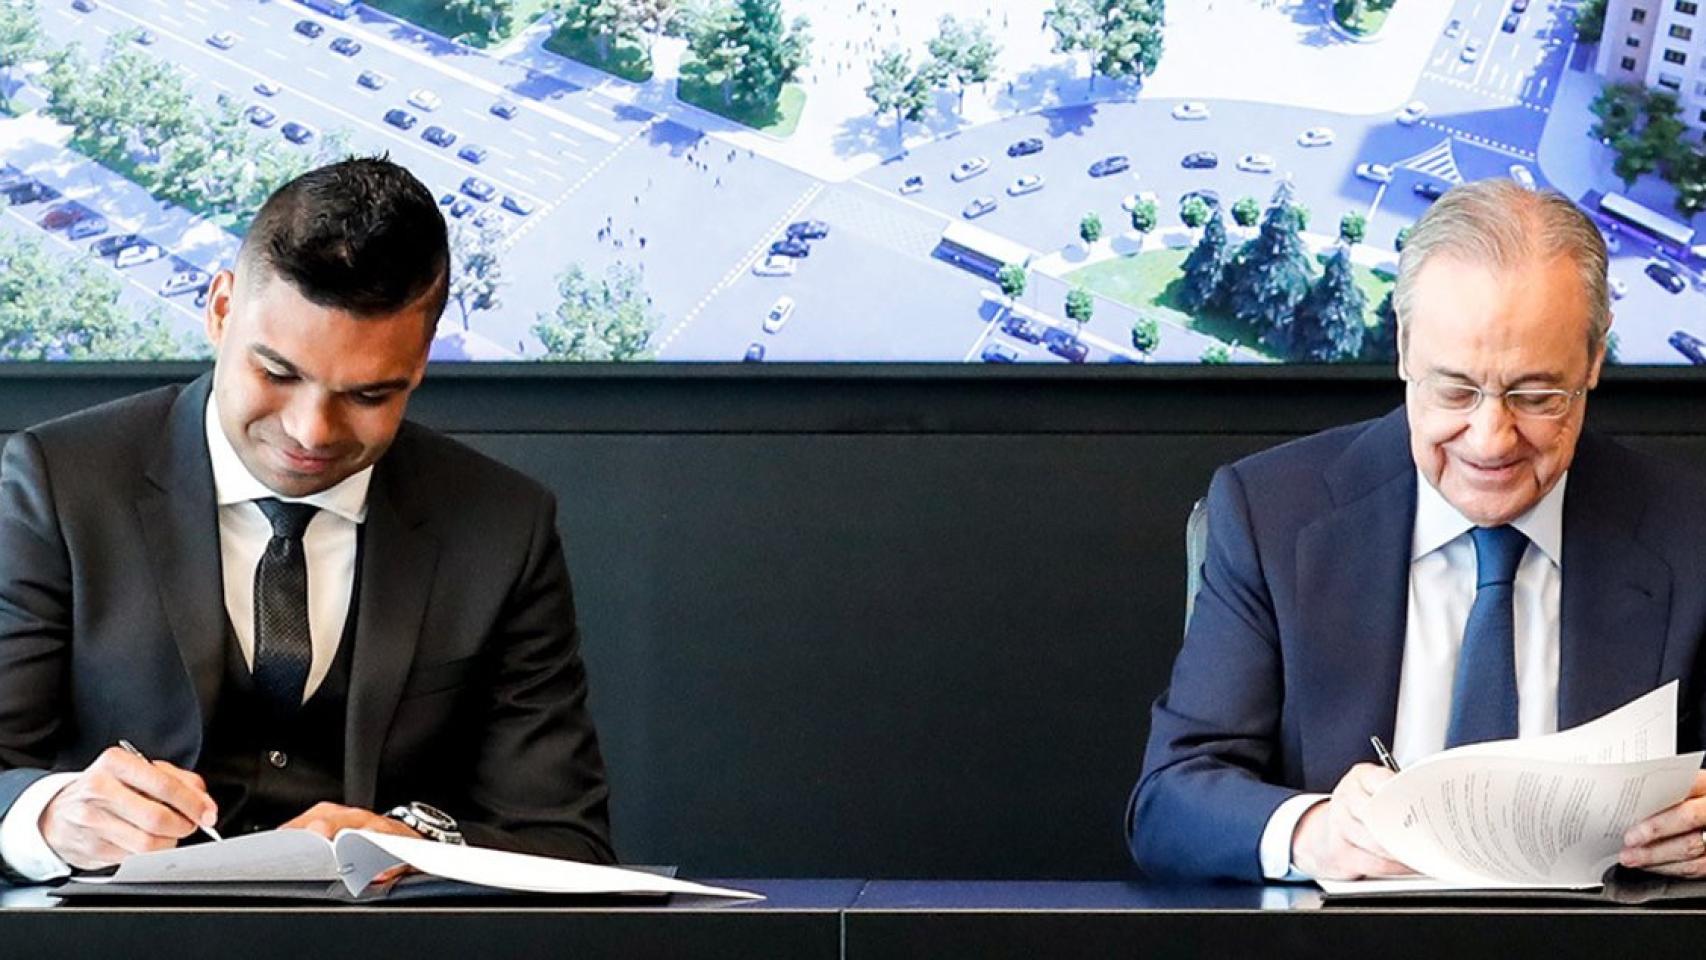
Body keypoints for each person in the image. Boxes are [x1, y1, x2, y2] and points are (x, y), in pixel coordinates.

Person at [0, 157, 613, 882]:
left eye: (368, 395)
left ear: (420, 365)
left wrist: (415, 843)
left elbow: (565, 840)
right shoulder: (61, 483)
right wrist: (48, 817)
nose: (311, 431)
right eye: (278, 373)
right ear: (220, 309)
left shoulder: (503, 527)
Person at [1128, 179, 1706, 882]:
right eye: (1455, 390)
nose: (1490, 440)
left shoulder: (1690, 533)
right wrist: (1314, 832)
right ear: (1404, 349)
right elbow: (1172, 798)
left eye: (1536, 396)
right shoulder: (1273, 516)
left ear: (1592, 361)